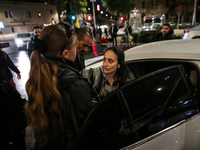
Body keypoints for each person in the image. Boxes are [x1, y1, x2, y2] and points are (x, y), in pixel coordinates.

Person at [25, 24, 96, 150]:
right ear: (66, 53)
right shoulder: (75, 85)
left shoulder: (38, 77)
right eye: (75, 47)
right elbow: (86, 131)